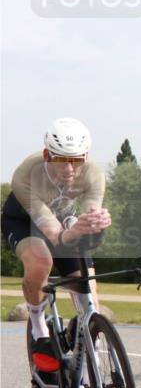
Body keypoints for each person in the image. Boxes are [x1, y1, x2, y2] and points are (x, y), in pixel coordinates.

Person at [1, 118, 112, 374]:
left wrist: (96, 222)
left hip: (63, 220)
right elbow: (53, 233)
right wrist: (73, 229)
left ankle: (87, 351)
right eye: (61, 159)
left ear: (86, 156)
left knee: (88, 290)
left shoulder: (94, 174)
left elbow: (88, 213)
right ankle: (39, 328)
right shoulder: (25, 174)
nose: (70, 168)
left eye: (77, 160)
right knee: (41, 260)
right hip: (24, 222)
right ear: (46, 155)